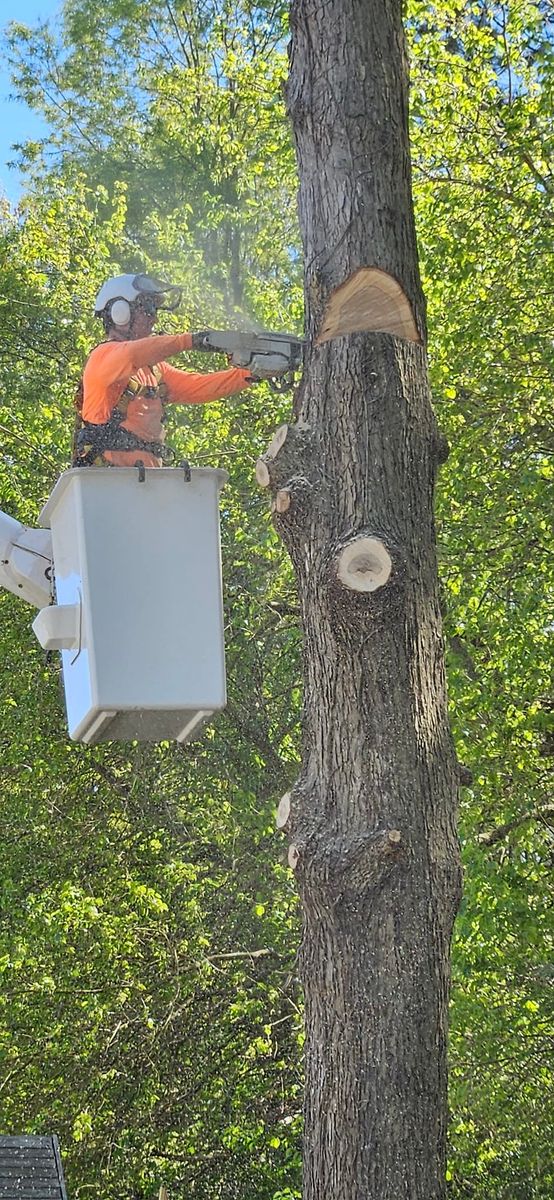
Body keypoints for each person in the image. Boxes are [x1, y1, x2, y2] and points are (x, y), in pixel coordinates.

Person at [73, 272, 254, 468]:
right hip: (105, 484)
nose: (154, 320)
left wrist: (252, 371)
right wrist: (190, 340)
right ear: (121, 312)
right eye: (149, 309)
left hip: (146, 484)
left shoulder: (155, 371)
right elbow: (132, 354)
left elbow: (201, 386)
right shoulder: (103, 357)